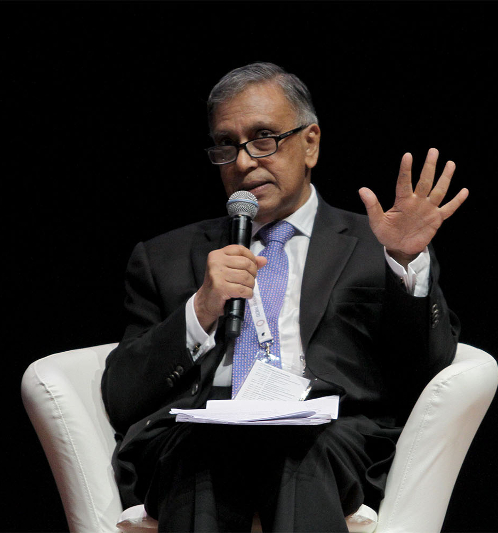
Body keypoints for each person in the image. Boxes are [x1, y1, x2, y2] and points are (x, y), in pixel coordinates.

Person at [101, 61, 468, 532]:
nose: (243, 161)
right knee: (204, 448)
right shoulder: (164, 257)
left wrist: (404, 263)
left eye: (263, 138)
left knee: (292, 444)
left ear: (310, 142)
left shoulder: (377, 243)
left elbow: (426, 368)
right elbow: (121, 396)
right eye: (226, 145)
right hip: (195, 441)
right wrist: (200, 310)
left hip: (328, 438)